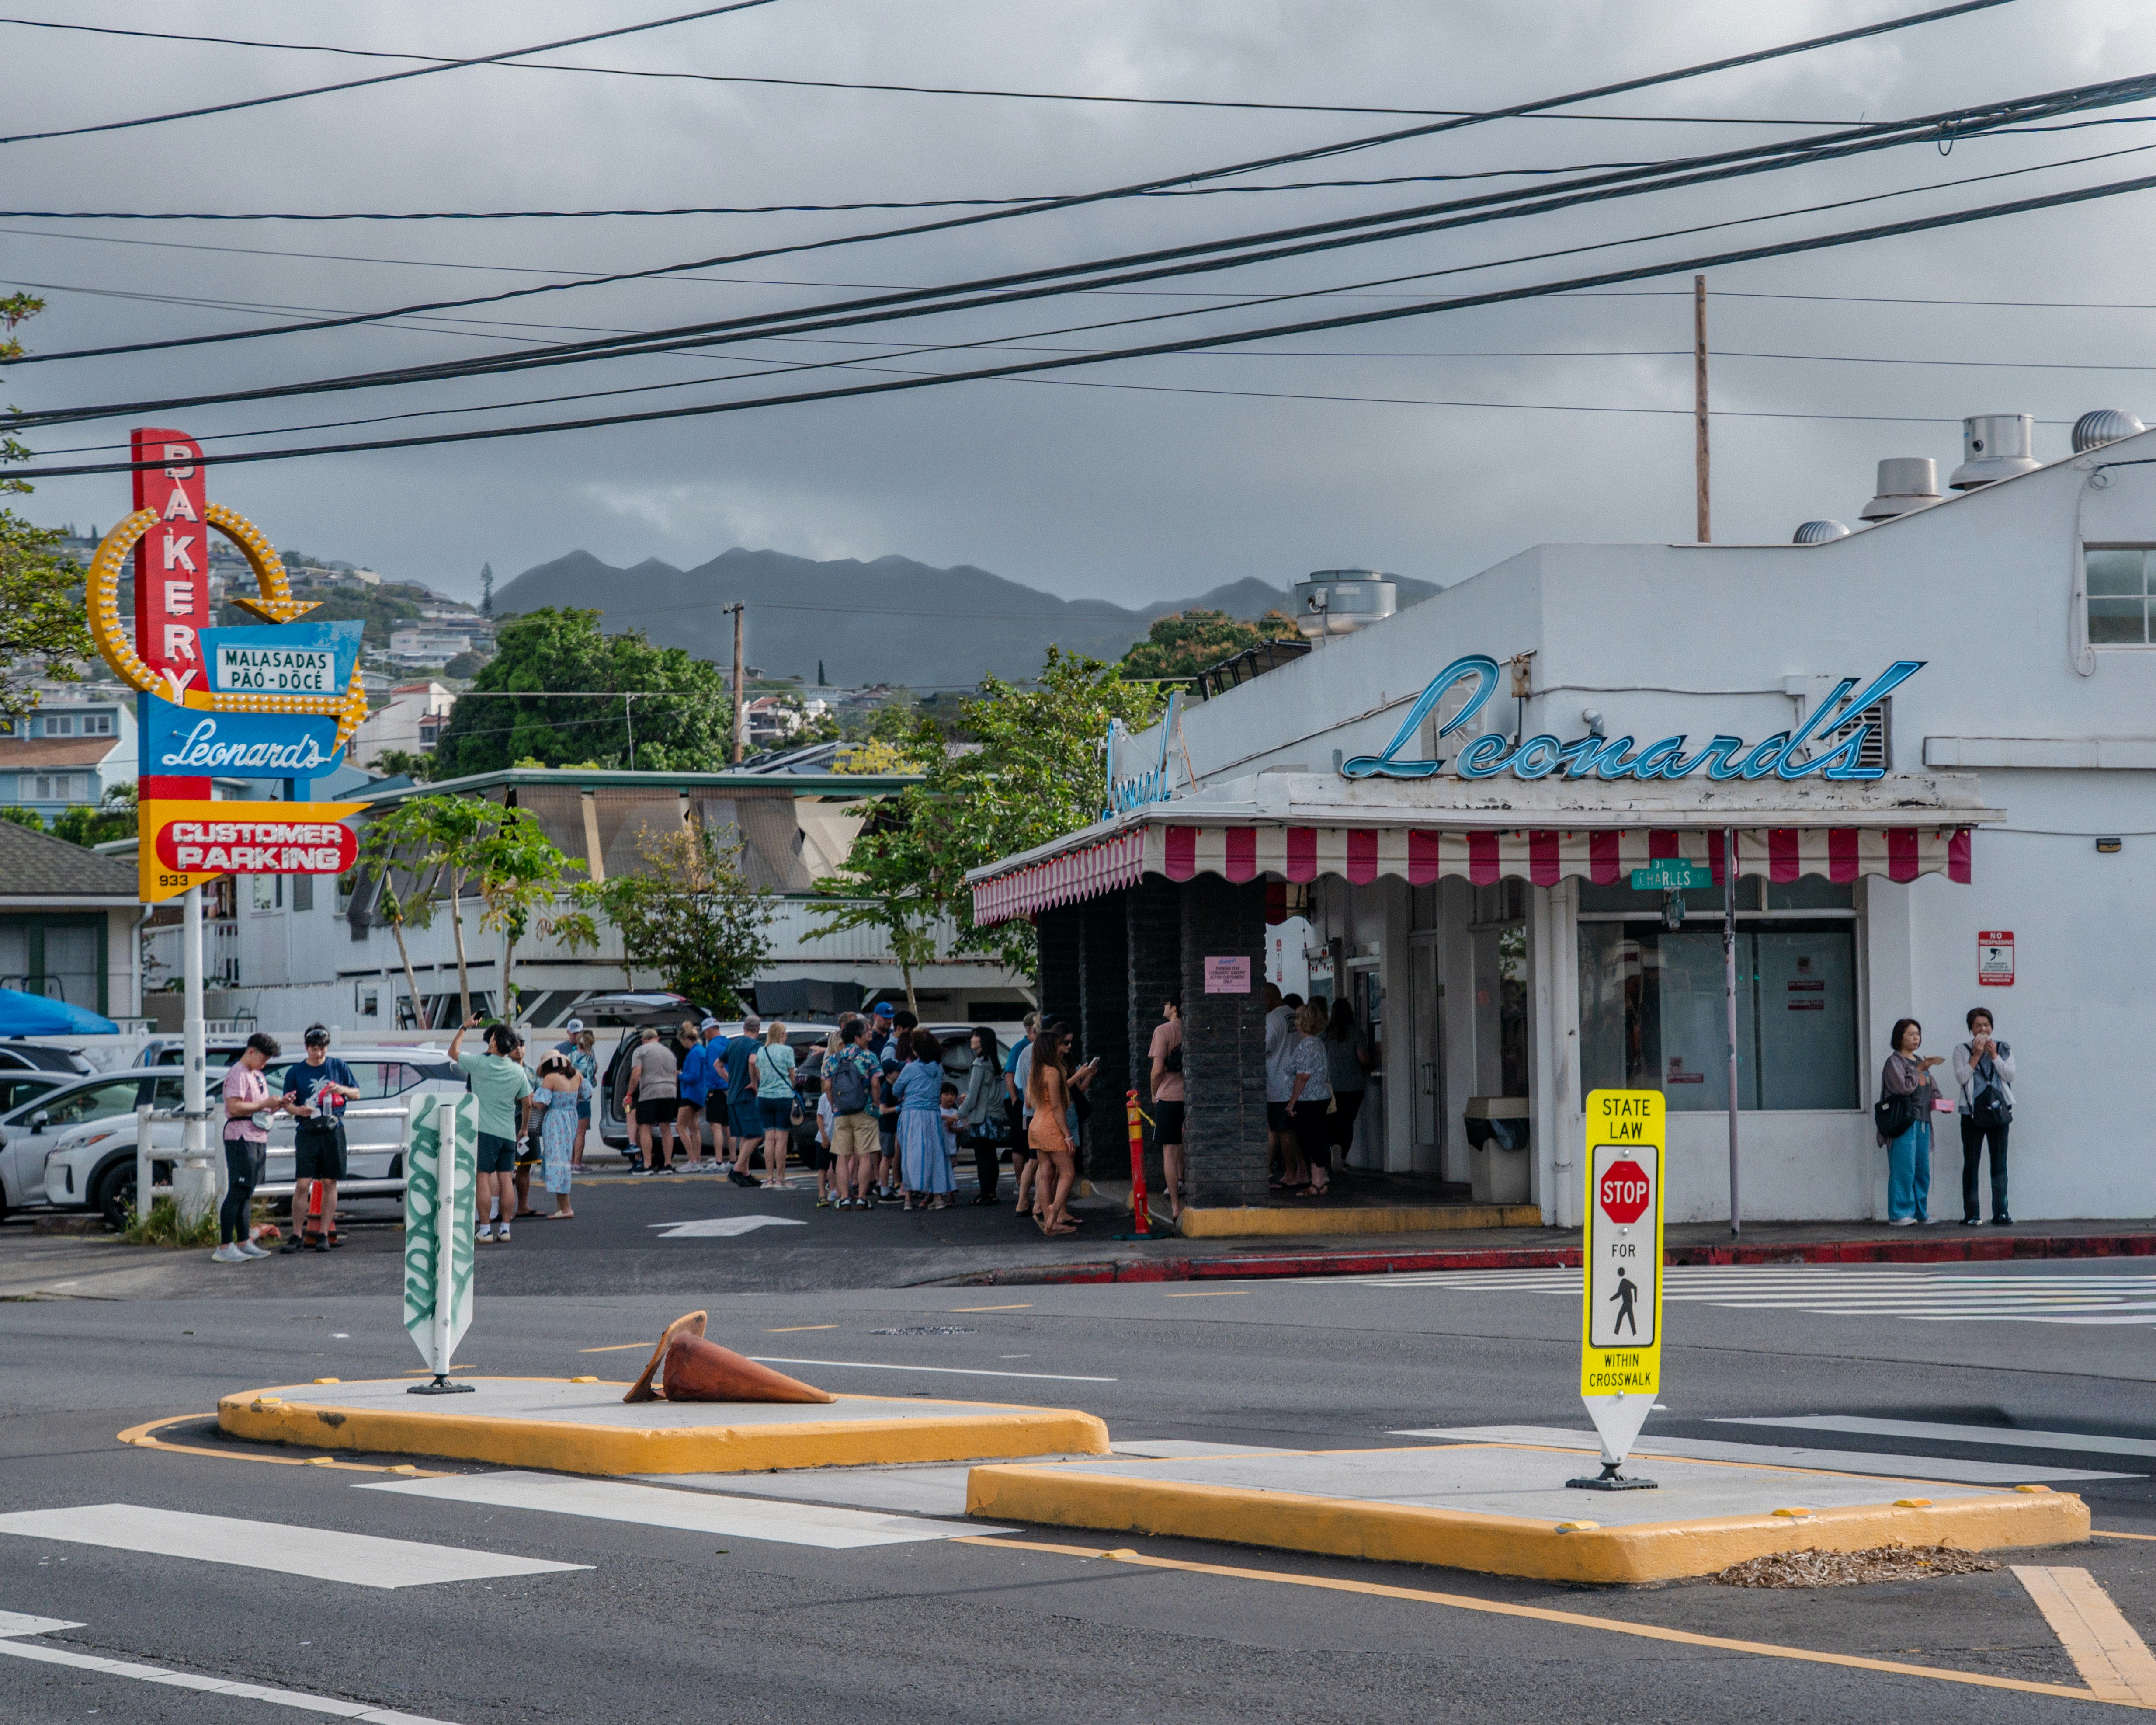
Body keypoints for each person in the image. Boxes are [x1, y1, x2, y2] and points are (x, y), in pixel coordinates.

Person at [450, 1016, 534, 1242]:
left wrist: (464, 1027)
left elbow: (453, 1052)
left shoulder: (479, 1063)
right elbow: (528, 1103)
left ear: (495, 1043)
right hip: (508, 1132)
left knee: (483, 1180)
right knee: (507, 1179)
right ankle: (505, 1229)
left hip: (484, 1132)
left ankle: (485, 1230)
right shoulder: (518, 1072)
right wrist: (523, 1129)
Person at [282, 1023, 359, 1254]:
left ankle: (323, 1233)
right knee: (303, 1183)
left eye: (323, 1048)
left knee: (329, 1182)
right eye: (315, 1048)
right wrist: (298, 1111)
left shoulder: (338, 1066)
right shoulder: (295, 1072)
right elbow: (288, 1104)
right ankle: (297, 1234)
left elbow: (356, 1093)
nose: (319, 1053)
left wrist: (341, 1090)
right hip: (307, 1130)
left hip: (333, 1128)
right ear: (307, 1048)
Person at [212, 1032, 283, 1263]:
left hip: (256, 1135)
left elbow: (260, 1107)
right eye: (264, 1058)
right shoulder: (237, 1074)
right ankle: (225, 1246)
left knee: (246, 1192)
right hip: (240, 1136)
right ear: (251, 1052)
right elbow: (233, 1107)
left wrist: (279, 1104)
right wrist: (265, 1104)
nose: (265, 1064)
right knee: (238, 1190)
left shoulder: (257, 1074)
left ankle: (243, 1242)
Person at [1878, 1017, 1946, 1226]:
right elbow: (1902, 1087)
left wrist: (1942, 1103)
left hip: (1923, 1122)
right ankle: (1899, 1214)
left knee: (1921, 1169)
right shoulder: (1895, 1062)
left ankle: (1920, 1212)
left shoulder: (1920, 1061)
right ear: (1900, 1037)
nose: (1916, 1038)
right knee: (1903, 1168)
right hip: (1904, 1123)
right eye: (1911, 1034)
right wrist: (1919, 1071)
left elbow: (1932, 1090)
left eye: (1918, 1034)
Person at [1953, 1008, 2017, 1226]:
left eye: (1987, 1025)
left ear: (1992, 1027)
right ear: (1971, 1028)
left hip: (1999, 1112)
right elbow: (1962, 1078)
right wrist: (1976, 1056)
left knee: (2000, 1163)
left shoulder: (2003, 1048)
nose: (1983, 1030)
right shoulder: (1961, 1050)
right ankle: (1972, 1214)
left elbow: (2010, 1075)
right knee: (1971, 1163)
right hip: (1972, 1113)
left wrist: (1995, 1056)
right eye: (1978, 1026)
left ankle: (2001, 1212)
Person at [1025, 1023, 1090, 1235]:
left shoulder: (1035, 1072)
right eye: (1057, 1045)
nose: (1060, 1048)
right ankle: (1053, 1216)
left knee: (1046, 1173)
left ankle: (1048, 1221)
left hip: (1036, 1125)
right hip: (1051, 1126)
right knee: (1068, 1173)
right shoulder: (1053, 1072)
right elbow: (1057, 1106)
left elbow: (1028, 1104)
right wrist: (1068, 1136)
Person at [824, 1014, 883, 1210]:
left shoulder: (833, 1059)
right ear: (857, 1038)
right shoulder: (869, 1057)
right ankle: (862, 1198)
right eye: (865, 1033)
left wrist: (835, 1106)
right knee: (865, 1155)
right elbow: (876, 1083)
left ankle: (843, 1198)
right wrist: (875, 1104)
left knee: (842, 1156)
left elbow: (827, 1086)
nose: (869, 1035)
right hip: (864, 1112)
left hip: (841, 1113)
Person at [895, 1028, 952, 1209]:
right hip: (933, 1115)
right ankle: (937, 1198)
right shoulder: (938, 1068)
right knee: (936, 1155)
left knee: (910, 1157)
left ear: (917, 1049)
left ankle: (908, 1199)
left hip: (912, 1115)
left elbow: (896, 1090)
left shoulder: (910, 1068)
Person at [1285, 1002, 1336, 1197]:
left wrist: (1292, 1102)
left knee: (1311, 1140)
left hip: (1308, 1101)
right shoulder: (1318, 1044)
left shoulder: (1308, 1046)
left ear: (1302, 1023)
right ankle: (1319, 1181)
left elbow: (1303, 1076)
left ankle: (1318, 1183)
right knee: (1316, 1139)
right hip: (1318, 1098)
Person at [534, 1053, 587, 1218]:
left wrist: (530, 1098)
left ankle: (565, 1208)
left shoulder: (551, 1077)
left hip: (555, 1120)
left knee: (557, 1160)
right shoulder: (578, 1075)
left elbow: (542, 1103)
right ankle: (562, 1207)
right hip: (571, 1118)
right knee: (563, 1160)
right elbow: (586, 1094)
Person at [1146, 997, 1184, 1224]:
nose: (1163, 1008)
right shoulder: (1190, 1029)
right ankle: (1184, 1182)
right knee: (1186, 1144)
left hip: (1169, 1096)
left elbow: (1157, 1070)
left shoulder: (1163, 1031)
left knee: (1170, 1152)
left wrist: (1153, 1093)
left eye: (1166, 1004)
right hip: (1192, 1097)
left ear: (1174, 1008)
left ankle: (1175, 1205)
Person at [1323, 997, 1373, 1169]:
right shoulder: (1356, 1033)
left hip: (1331, 1087)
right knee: (1347, 1123)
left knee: (1332, 1121)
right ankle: (1342, 1156)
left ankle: (1333, 1146)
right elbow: (1363, 1059)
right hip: (1354, 1087)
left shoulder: (1327, 1033)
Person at [958, 1026, 1004, 1205]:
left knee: (983, 1159)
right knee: (992, 1157)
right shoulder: (993, 1062)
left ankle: (985, 1194)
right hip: (995, 1115)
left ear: (982, 1040)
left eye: (975, 1036)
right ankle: (991, 1193)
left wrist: (960, 1114)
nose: (971, 1039)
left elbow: (974, 1094)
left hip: (982, 1117)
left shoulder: (979, 1063)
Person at [1263, 982, 1302, 1189]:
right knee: (1292, 1131)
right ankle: (1302, 1171)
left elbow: (1262, 1048)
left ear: (1269, 1000)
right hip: (1296, 1084)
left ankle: (1290, 1173)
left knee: (1284, 1131)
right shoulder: (1294, 1015)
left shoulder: (1271, 1020)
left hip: (1278, 1085)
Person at [628, 1026, 679, 1175]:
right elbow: (675, 1076)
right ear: (657, 1039)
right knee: (666, 1128)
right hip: (670, 1092)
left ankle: (647, 1165)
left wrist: (630, 1093)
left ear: (644, 1040)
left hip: (650, 1093)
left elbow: (636, 1073)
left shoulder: (641, 1051)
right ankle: (668, 1165)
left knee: (645, 1128)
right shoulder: (670, 1053)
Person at [722, 1015, 765, 1186]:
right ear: (758, 1029)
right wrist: (754, 1083)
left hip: (732, 1096)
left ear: (744, 1028)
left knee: (746, 1136)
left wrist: (729, 1080)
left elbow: (718, 1064)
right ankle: (738, 1169)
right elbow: (753, 1060)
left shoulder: (733, 1044)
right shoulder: (755, 1045)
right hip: (746, 1096)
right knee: (756, 1134)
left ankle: (745, 1173)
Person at [753, 1021, 798, 1189]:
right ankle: (781, 1178)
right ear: (781, 1035)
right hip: (783, 1097)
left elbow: (759, 1075)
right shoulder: (787, 1051)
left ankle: (769, 1178)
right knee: (782, 1139)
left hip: (764, 1098)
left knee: (769, 1139)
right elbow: (792, 1076)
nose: (786, 1036)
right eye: (785, 1033)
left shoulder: (761, 1051)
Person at [677, 1017, 723, 1172]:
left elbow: (693, 1076)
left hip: (691, 1094)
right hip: (700, 1094)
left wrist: (678, 1075)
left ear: (686, 1039)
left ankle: (693, 1160)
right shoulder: (702, 1051)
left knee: (680, 1127)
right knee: (694, 1127)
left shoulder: (695, 1053)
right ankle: (696, 1160)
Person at [1007, 1012, 1038, 1217]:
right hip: (1026, 1104)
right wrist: (1015, 1102)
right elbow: (1010, 1077)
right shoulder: (1023, 1049)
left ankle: (1028, 1199)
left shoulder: (1030, 1049)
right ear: (1030, 1030)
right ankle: (1022, 1188)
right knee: (1024, 1149)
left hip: (1027, 1104)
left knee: (1034, 1155)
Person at [567, 1027, 598, 1170]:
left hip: (571, 1095)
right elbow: (594, 1071)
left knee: (572, 1132)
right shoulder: (591, 1056)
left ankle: (570, 1161)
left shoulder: (571, 1056)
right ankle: (577, 1163)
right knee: (581, 1132)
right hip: (584, 1097)